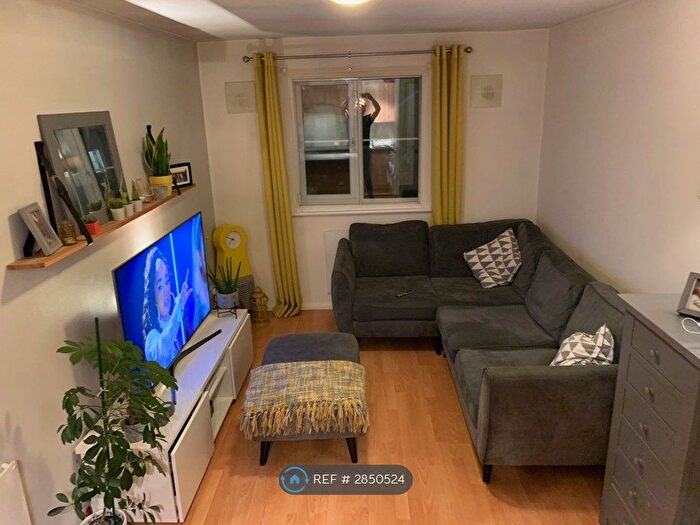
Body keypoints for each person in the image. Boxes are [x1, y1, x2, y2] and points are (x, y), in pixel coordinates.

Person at [142, 246, 193, 367]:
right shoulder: (152, 337)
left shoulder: (178, 321)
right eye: (160, 286)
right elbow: (164, 346)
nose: (166, 291)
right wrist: (179, 307)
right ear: (152, 295)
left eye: (167, 281)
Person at [360, 92, 381, 198]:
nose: (360, 107)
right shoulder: (352, 120)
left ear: (364, 109)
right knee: (354, 173)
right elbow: (342, 110)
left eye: (362, 106)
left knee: (366, 173)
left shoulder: (367, 119)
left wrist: (371, 98)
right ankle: (357, 197)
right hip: (354, 149)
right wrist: (350, 98)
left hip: (364, 149)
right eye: (358, 105)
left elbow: (378, 109)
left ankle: (370, 196)